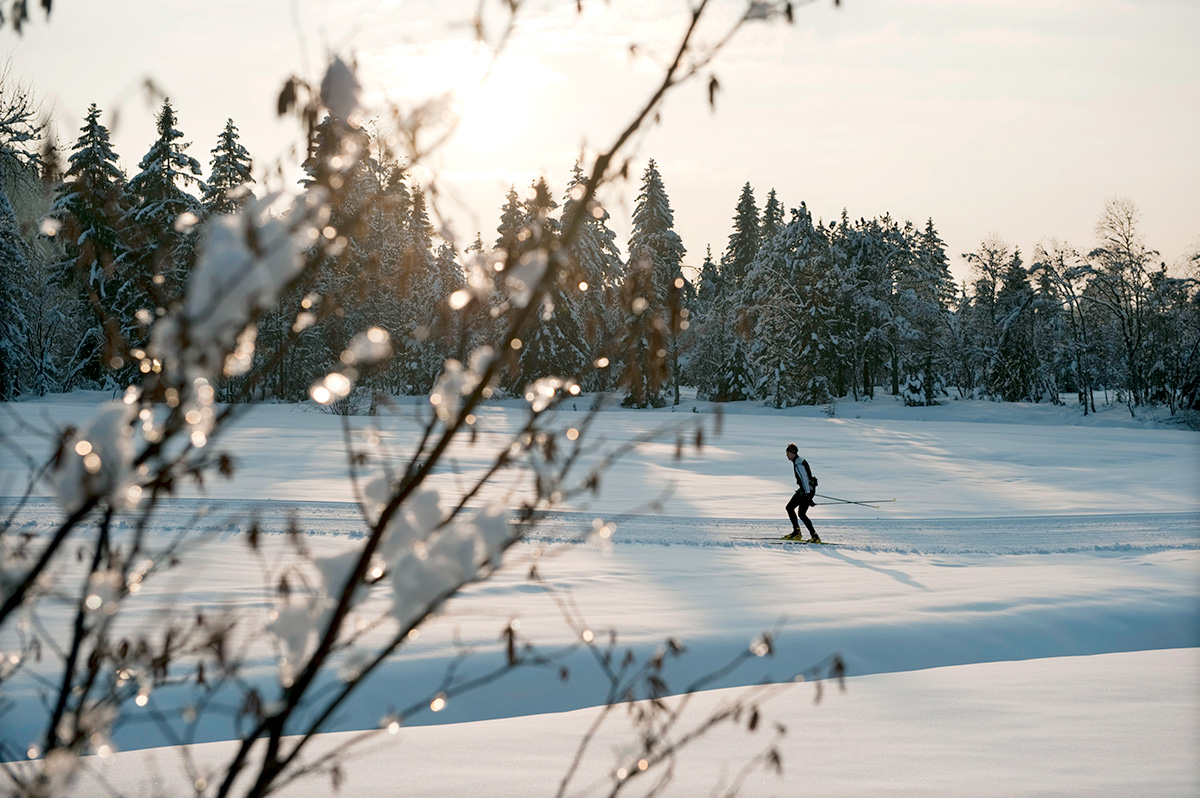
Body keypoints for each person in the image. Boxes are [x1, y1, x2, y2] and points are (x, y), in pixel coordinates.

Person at [784, 443, 820, 542]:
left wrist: (808, 496)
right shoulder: (799, 461)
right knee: (799, 512)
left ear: (792, 453)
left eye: (787, 453)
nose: (787, 456)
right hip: (806, 490)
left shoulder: (798, 463)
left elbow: (804, 479)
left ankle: (800, 533)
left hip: (806, 491)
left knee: (792, 509)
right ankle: (810, 535)